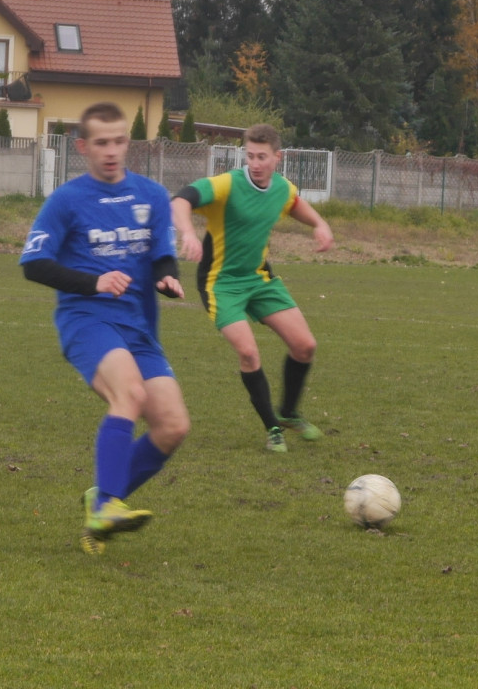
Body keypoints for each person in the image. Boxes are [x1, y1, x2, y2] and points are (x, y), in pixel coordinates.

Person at [20, 101, 190, 556]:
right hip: (87, 319)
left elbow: (160, 253)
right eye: (101, 143)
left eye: (118, 141)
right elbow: (33, 264)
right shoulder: (67, 200)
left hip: (138, 327)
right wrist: (93, 282)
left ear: (127, 143)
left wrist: (167, 276)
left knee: (172, 426)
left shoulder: (152, 195)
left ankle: (100, 497)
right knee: (129, 395)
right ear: (83, 147)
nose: (111, 151)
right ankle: (109, 505)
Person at [171, 124, 334, 453]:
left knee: (305, 346)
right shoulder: (228, 184)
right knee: (248, 352)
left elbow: (294, 203)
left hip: (258, 279)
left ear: (278, 157)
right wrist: (187, 233)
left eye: (262, 157)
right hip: (221, 282)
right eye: (250, 156)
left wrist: (320, 224)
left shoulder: (282, 189)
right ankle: (272, 427)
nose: (255, 163)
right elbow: (181, 200)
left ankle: (288, 413)